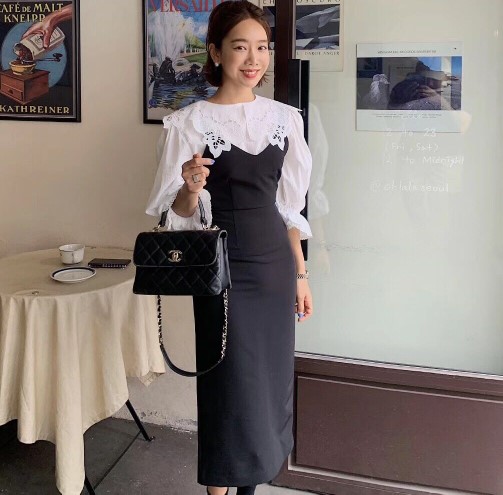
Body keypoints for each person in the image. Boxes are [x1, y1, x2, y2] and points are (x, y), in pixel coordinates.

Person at [145, 2, 313, 494]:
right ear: (216, 52)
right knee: (228, 388)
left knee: (269, 386)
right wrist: (190, 188)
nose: (254, 59)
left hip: (275, 272)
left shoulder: (285, 119)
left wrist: (301, 276)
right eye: (241, 47)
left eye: (262, 47)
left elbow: (289, 210)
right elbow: (175, 217)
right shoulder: (189, 123)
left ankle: (253, 483)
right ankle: (219, 488)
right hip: (223, 276)